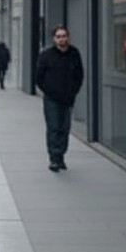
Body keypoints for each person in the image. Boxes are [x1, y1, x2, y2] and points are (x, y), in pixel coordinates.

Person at [35, 24, 84, 173]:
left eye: (64, 36)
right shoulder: (46, 55)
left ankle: (61, 155)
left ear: (68, 37)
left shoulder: (74, 53)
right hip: (51, 99)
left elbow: (79, 75)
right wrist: (48, 91)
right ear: (54, 39)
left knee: (65, 129)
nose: (62, 39)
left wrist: (73, 91)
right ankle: (54, 159)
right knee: (54, 128)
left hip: (68, 99)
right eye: (58, 37)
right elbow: (39, 77)